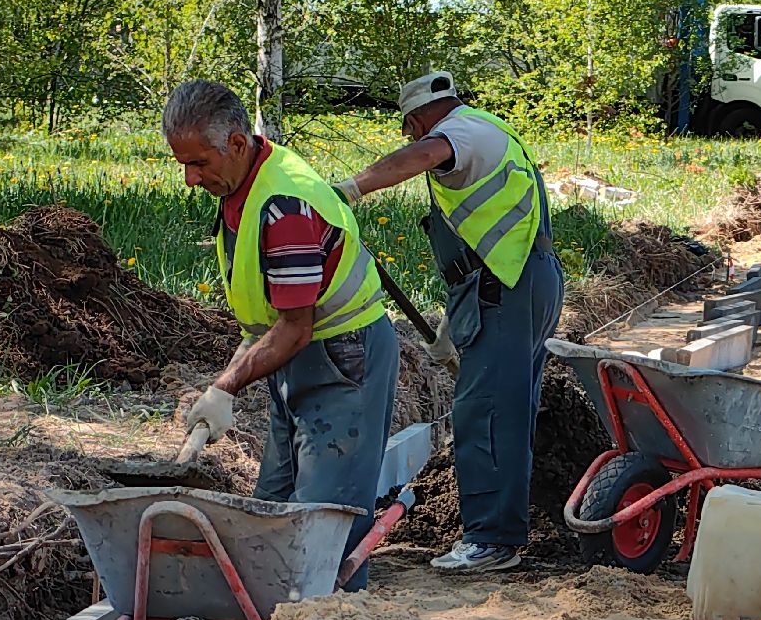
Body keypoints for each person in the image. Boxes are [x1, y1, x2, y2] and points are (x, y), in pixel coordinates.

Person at [164, 79, 398, 592]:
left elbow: (296, 326)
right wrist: (232, 372)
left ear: (238, 144)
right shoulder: (241, 181)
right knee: (273, 507)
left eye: (198, 163)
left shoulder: (284, 206)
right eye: (181, 162)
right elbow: (274, 315)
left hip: (343, 360)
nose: (188, 178)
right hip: (296, 357)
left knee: (322, 525)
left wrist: (226, 387)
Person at [339, 71, 563, 574]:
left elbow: (421, 155)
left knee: (484, 413)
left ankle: (490, 539)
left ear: (417, 119)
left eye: (410, 128)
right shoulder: (485, 131)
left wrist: (350, 189)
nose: (412, 138)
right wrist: (457, 320)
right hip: (514, 284)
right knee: (505, 409)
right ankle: (500, 531)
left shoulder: (459, 132)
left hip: (507, 286)